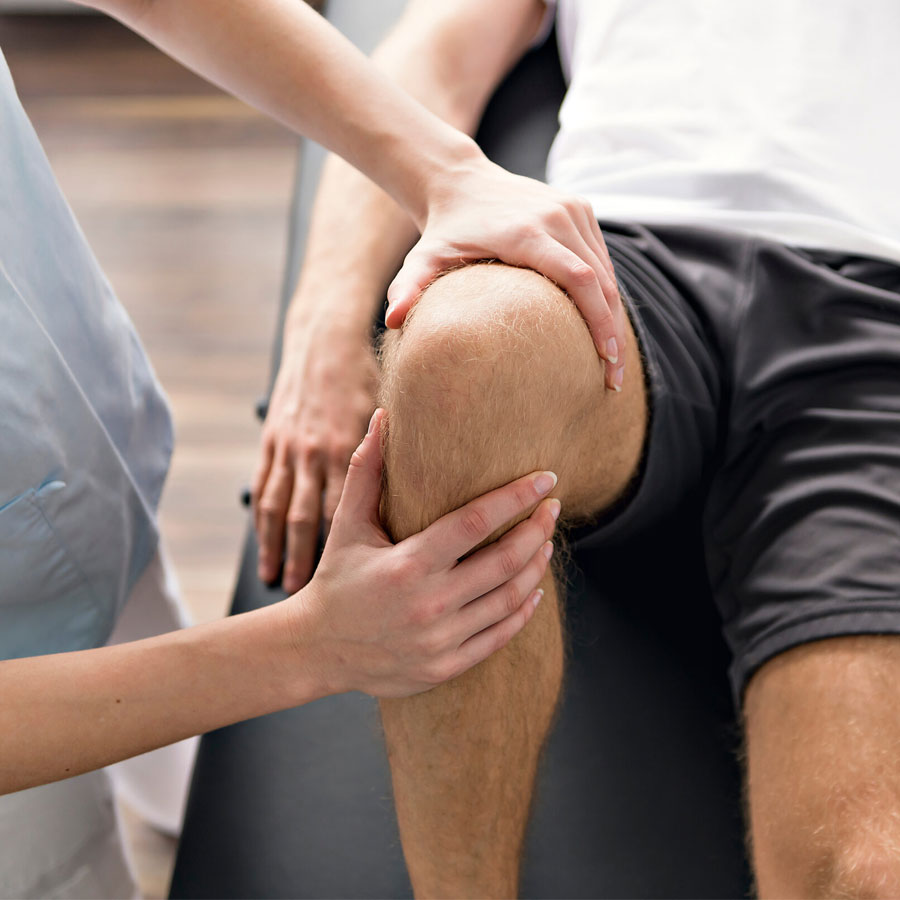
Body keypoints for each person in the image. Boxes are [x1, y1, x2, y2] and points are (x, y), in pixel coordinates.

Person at [253, 0, 900, 897]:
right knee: (460, 352)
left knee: (869, 873)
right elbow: (432, 60)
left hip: (874, 321)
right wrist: (323, 331)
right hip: (617, 261)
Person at [0, 0, 622, 894]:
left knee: (159, 702)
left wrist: (442, 168)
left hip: (71, 453)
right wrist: (312, 648)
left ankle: (172, 800)